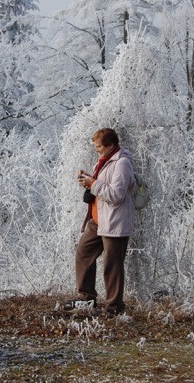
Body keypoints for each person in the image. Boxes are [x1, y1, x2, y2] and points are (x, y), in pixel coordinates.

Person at [66, 128, 136, 316]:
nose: (96, 150)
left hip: (114, 223)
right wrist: (89, 178)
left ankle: (114, 307)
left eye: (98, 146)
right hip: (97, 220)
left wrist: (92, 183)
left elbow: (116, 195)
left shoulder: (122, 163)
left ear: (110, 145)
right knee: (84, 253)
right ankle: (86, 299)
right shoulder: (105, 160)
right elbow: (103, 185)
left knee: (112, 265)